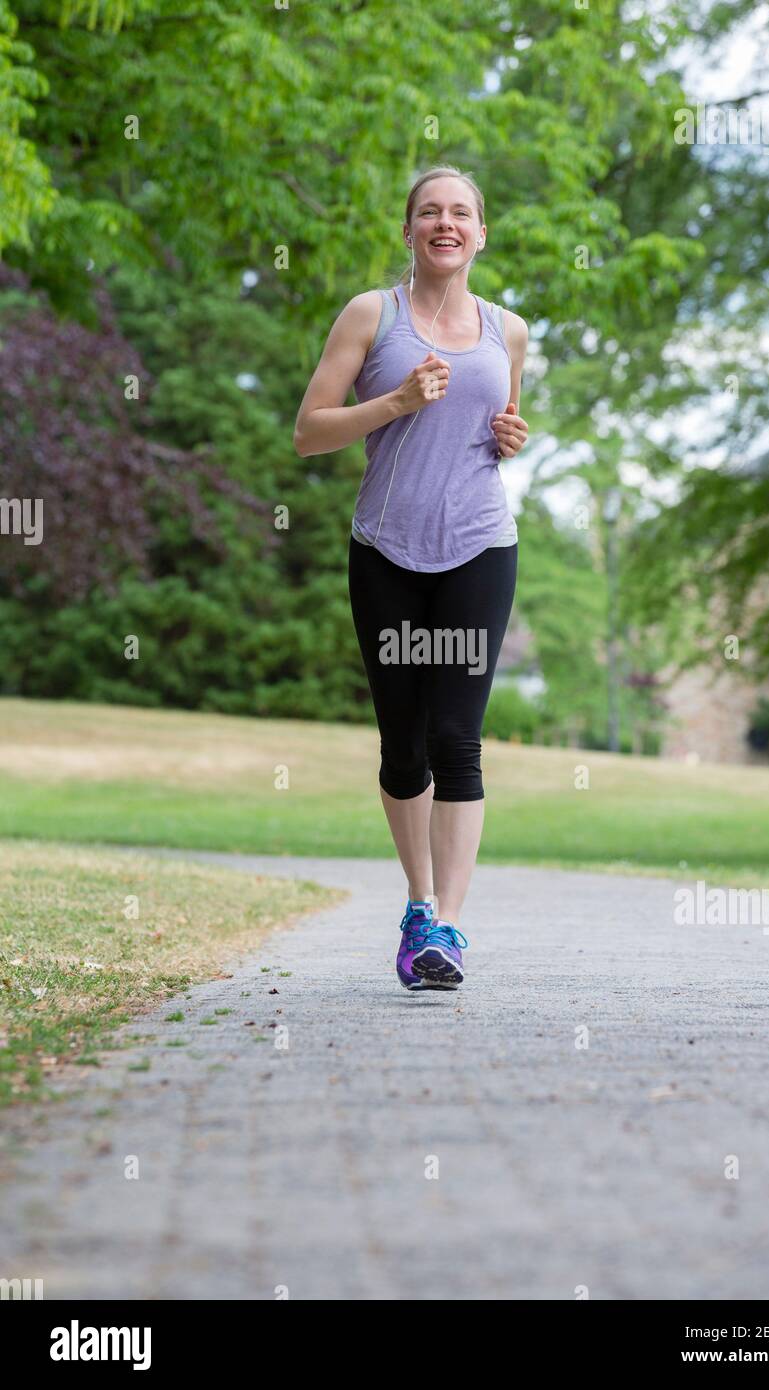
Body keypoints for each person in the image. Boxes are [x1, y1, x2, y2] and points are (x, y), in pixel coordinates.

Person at [293, 165, 529, 990]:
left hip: (479, 549)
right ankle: (419, 901)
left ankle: (448, 932)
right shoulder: (372, 314)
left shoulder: (511, 330)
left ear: (481, 233)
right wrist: (392, 404)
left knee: (458, 742)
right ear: (408, 232)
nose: (446, 223)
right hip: (387, 553)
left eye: (462, 212)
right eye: (430, 212)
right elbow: (309, 433)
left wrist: (509, 437)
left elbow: (500, 425)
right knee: (404, 748)